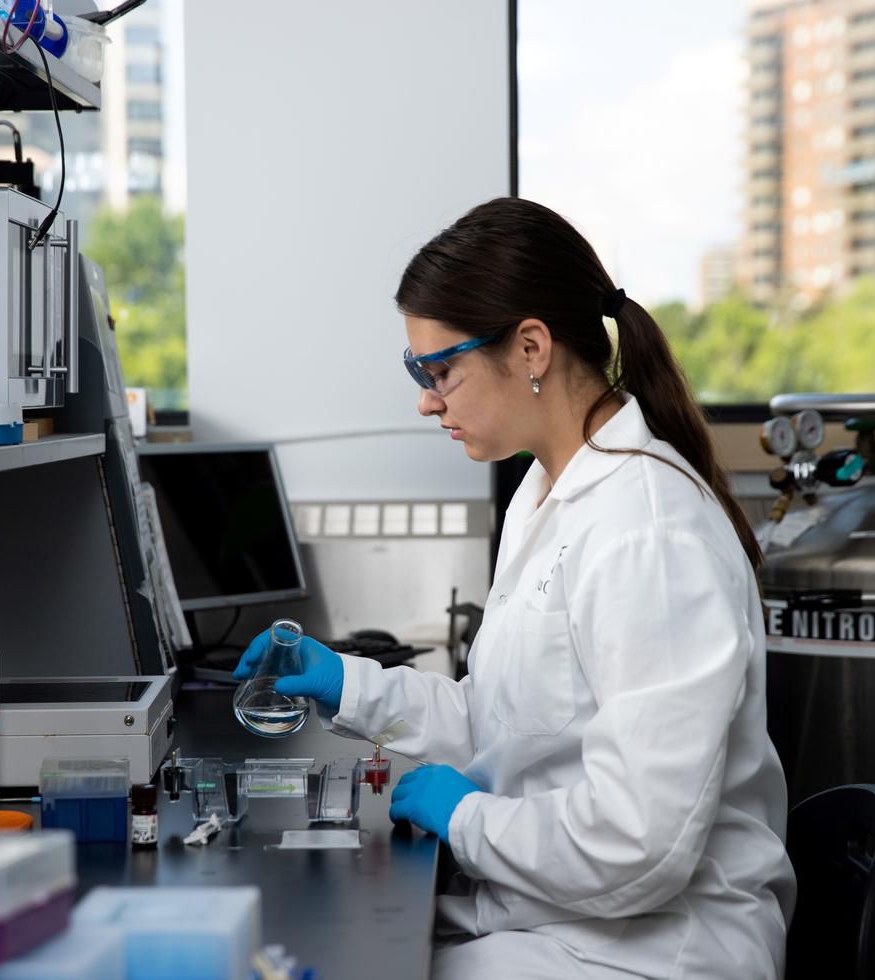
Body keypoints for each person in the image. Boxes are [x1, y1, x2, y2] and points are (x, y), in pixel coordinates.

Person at [234, 197, 796, 979]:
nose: (427, 400)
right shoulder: (548, 489)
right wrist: (346, 684)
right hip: (560, 922)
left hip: (651, 951)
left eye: (440, 372)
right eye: (419, 372)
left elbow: (640, 844)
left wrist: (464, 817)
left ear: (531, 347)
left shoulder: (647, 531)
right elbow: (508, 723)